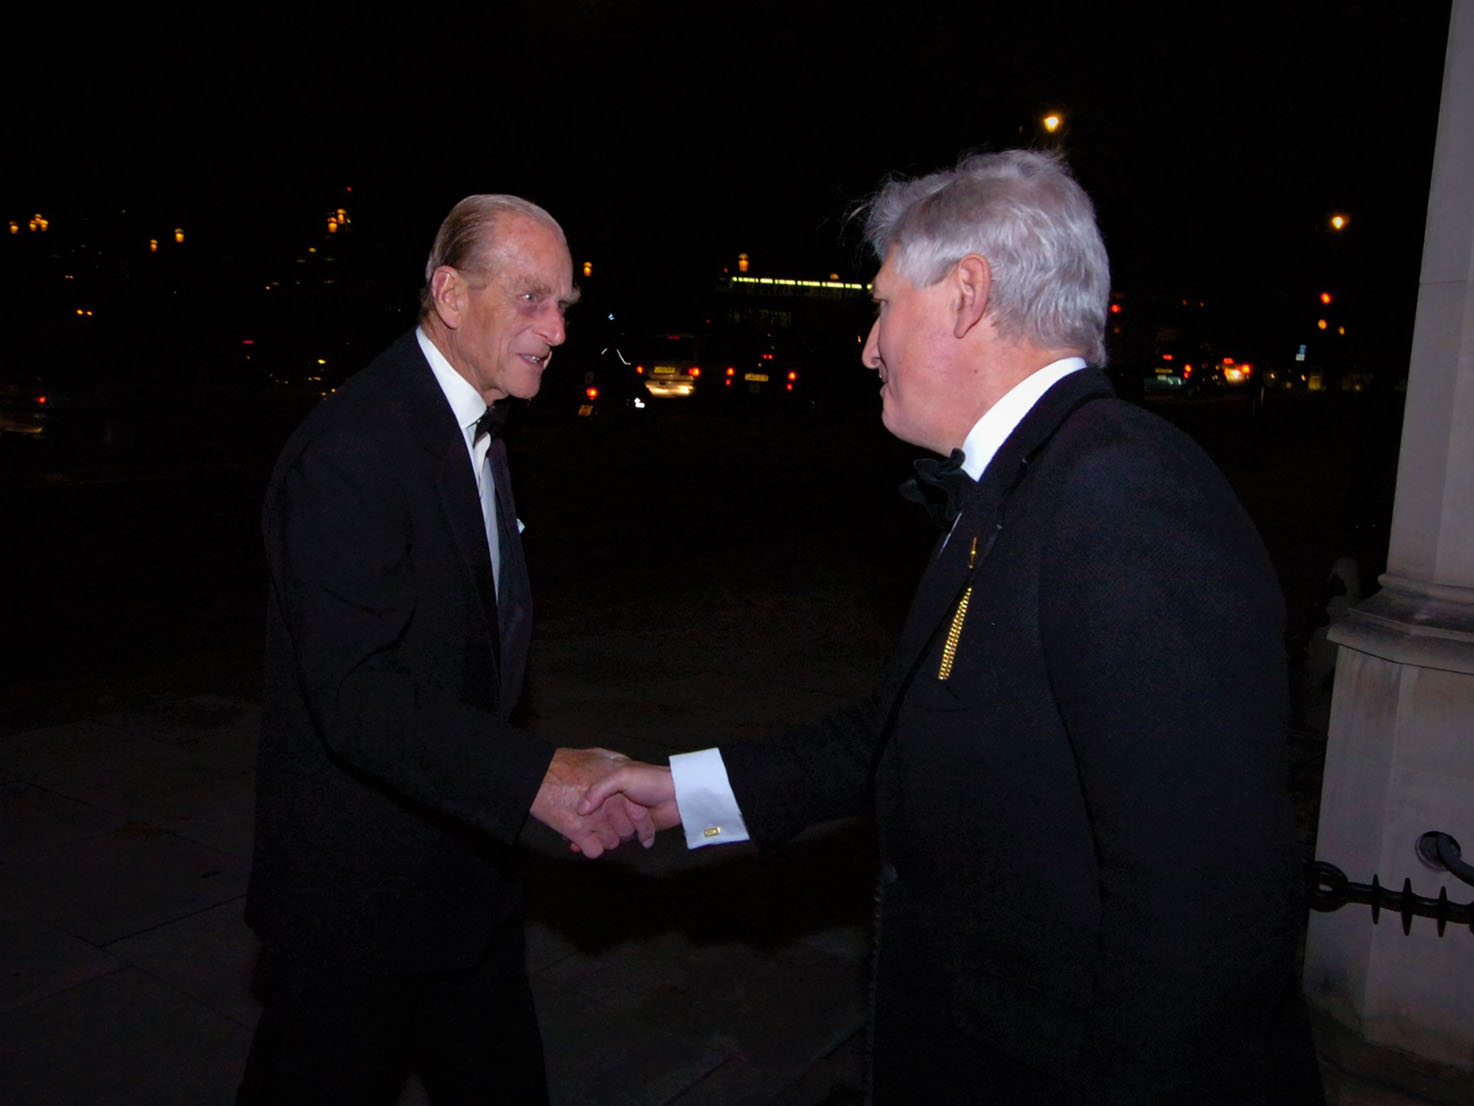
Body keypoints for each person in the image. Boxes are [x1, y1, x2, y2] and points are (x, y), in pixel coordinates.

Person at [583, 151, 1307, 1103]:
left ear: (967, 294)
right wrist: (682, 791)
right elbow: (896, 736)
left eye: (882, 305)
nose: (868, 347)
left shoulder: (1120, 498)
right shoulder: (1033, 482)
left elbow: (1203, 917)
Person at [239, 194, 654, 1105]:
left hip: (463, 883)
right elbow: (356, 696)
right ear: (451, 295)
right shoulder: (354, 449)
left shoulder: (474, 426)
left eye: (565, 307)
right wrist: (533, 777)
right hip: (359, 905)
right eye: (533, 299)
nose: (555, 329)